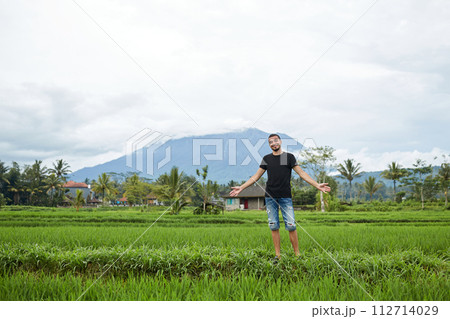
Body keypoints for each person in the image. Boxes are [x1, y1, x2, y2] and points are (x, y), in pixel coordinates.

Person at [229, 133, 330, 264]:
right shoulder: (267, 159)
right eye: (270, 142)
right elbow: (256, 176)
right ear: (269, 145)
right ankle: (278, 255)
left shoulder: (289, 157)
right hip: (270, 197)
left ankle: (297, 255)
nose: (273, 143)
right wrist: (241, 187)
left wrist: (317, 185)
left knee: (291, 226)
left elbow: (301, 173)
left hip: (285, 197)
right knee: (273, 226)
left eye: (275, 141)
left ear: (280, 142)